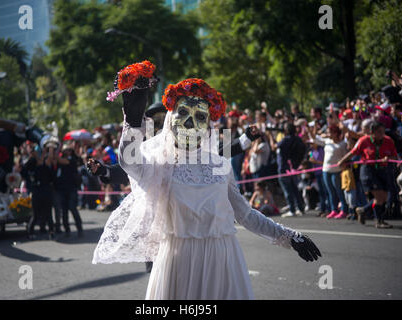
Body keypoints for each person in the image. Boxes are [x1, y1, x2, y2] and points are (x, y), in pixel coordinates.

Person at [90, 61, 321, 300]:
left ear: (209, 124)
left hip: (223, 262)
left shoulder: (220, 165)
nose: (190, 122)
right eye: (183, 113)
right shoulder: (158, 164)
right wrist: (133, 120)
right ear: (171, 119)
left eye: (200, 116)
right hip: (177, 264)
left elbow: (246, 215)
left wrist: (289, 236)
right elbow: (129, 161)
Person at [338, 121, 398, 228]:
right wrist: (342, 161)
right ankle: (379, 221)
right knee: (379, 196)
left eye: (383, 131)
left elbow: (395, 156)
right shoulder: (363, 141)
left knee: (384, 197)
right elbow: (353, 152)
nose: (381, 134)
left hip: (383, 171)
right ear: (372, 132)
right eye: (379, 132)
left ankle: (363, 210)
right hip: (368, 171)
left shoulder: (388, 141)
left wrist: (388, 158)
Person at [308, 124, 349, 219]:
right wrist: (310, 130)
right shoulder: (327, 141)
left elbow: (345, 157)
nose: (327, 134)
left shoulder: (342, 144)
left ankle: (344, 210)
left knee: (339, 191)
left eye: (329, 132)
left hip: (337, 171)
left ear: (335, 133)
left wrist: (343, 163)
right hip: (326, 170)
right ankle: (334, 210)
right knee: (330, 192)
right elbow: (314, 139)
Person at [21, 145, 56, 240]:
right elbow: (39, 161)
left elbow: (46, 159)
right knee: (37, 215)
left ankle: (50, 231)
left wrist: (49, 149)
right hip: (38, 192)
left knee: (47, 214)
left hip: (43, 192)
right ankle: (31, 232)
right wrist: (44, 151)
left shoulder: (42, 165)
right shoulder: (31, 166)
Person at [54, 143, 84, 237]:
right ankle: (67, 230)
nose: (66, 151)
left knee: (72, 208)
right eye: (65, 150)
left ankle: (79, 229)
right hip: (61, 189)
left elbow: (62, 160)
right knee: (64, 210)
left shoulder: (72, 159)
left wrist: (56, 149)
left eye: (68, 150)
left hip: (71, 189)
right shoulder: (60, 160)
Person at [277, 123, 306, 217]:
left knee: (288, 190)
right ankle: (300, 208)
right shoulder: (298, 140)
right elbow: (303, 150)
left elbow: (276, 146)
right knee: (295, 189)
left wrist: (270, 137)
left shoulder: (285, 140)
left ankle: (292, 209)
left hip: (284, 168)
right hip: (294, 167)